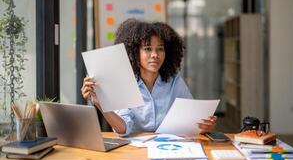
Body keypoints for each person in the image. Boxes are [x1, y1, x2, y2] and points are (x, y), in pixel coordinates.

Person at [81, 18, 217, 136]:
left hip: (170, 150)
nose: (155, 55)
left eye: (160, 49)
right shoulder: (124, 83)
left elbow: (193, 120)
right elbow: (123, 128)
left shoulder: (174, 81)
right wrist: (100, 103)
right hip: (134, 154)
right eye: (147, 49)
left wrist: (204, 126)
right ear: (134, 52)